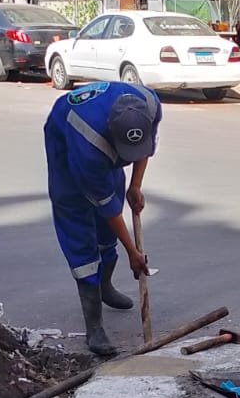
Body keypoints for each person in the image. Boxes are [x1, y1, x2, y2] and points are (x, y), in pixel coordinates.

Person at [43, 80, 161, 356]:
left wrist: (135, 186)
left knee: (109, 224)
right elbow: (108, 209)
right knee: (79, 222)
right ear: (111, 134)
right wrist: (132, 251)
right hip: (66, 141)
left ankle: (104, 285)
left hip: (102, 147)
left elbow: (145, 147)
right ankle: (94, 326)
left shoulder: (150, 104)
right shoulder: (89, 144)